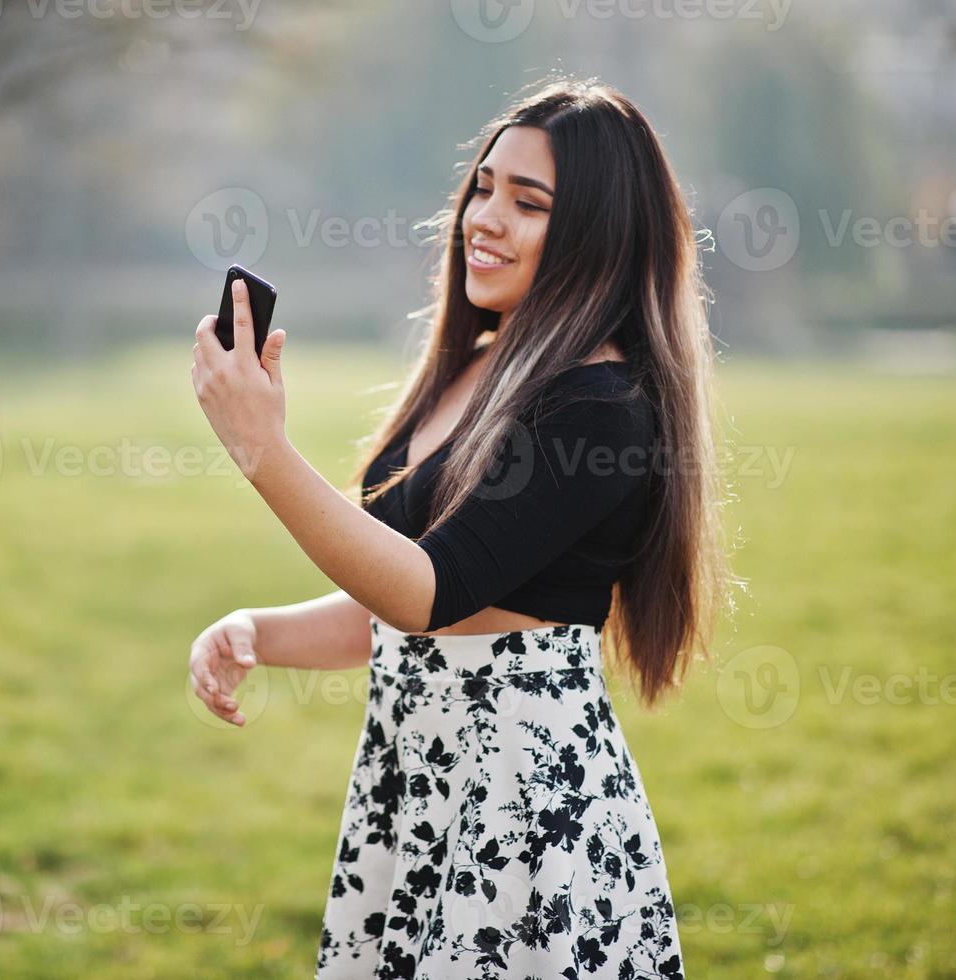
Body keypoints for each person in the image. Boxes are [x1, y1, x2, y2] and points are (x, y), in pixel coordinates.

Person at [188, 77, 739, 979]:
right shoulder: (474, 366)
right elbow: (397, 603)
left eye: (528, 203)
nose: (484, 216)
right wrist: (257, 632)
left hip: (521, 821)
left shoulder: (600, 407)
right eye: (483, 187)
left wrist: (261, 450)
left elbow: (429, 595)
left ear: (598, 233)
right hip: (412, 800)